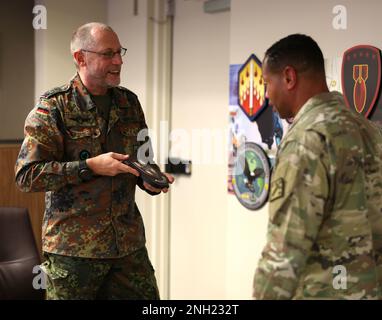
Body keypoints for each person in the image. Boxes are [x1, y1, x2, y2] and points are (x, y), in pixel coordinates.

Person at [15, 22, 174, 300]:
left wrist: (149, 179)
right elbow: (27, 175)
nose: (118, 60)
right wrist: (89, 167)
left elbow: (140, 159)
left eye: (119, 52)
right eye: (108, 54)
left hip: (127, 247)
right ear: (81, 58)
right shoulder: (54, 107)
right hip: (74, 254)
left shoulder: (129, 103)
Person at [253, 34, 382, 299]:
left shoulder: (306, 139)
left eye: (268, 83)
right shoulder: (368, 129)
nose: (267, 95)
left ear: (289, 77)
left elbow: (284, 252)